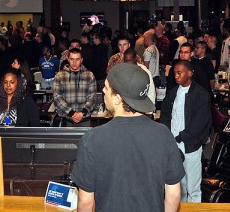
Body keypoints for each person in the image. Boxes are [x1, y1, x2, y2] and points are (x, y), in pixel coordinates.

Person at [71, 63, 184, 211]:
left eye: (106, 87)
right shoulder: (163, 134)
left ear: (118, 98)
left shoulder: (93, 139)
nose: (103, 91)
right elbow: (174, 194)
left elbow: (85, 202)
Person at [160, 60, 211, 202]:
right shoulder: (173, 92)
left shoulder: (201, 94)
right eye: (174, 73)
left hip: (191, 145)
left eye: (179, 73)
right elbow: (165, 114)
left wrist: (182, 136)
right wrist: (167, 133)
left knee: (193, 187)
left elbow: (200, 122)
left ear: (189, 73)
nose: (175, 76)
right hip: (174, 145)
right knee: (179, 186)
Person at [53, 48, 96, 127]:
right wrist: (72, 113)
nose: (74, 62)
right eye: (72, 59)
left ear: (81, 60)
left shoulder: (89, 75)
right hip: (66, 119)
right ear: (68, 59)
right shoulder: (59, 76)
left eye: (77, 59)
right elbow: (57, 98)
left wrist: (82, 113)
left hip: (85, 118)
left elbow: (93, 97)